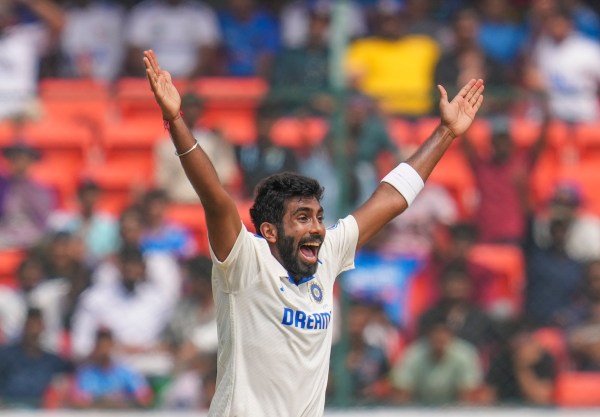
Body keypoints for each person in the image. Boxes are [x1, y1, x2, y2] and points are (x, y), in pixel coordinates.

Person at [143, 49, 484, 416]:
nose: (318, 228)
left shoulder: (327, 255)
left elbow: (391, 199)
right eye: (303, 218)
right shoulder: (245, 262)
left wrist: (446, 132)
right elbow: (215, 197)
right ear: (270, 231)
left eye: (319, 217)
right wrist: (175, 120)